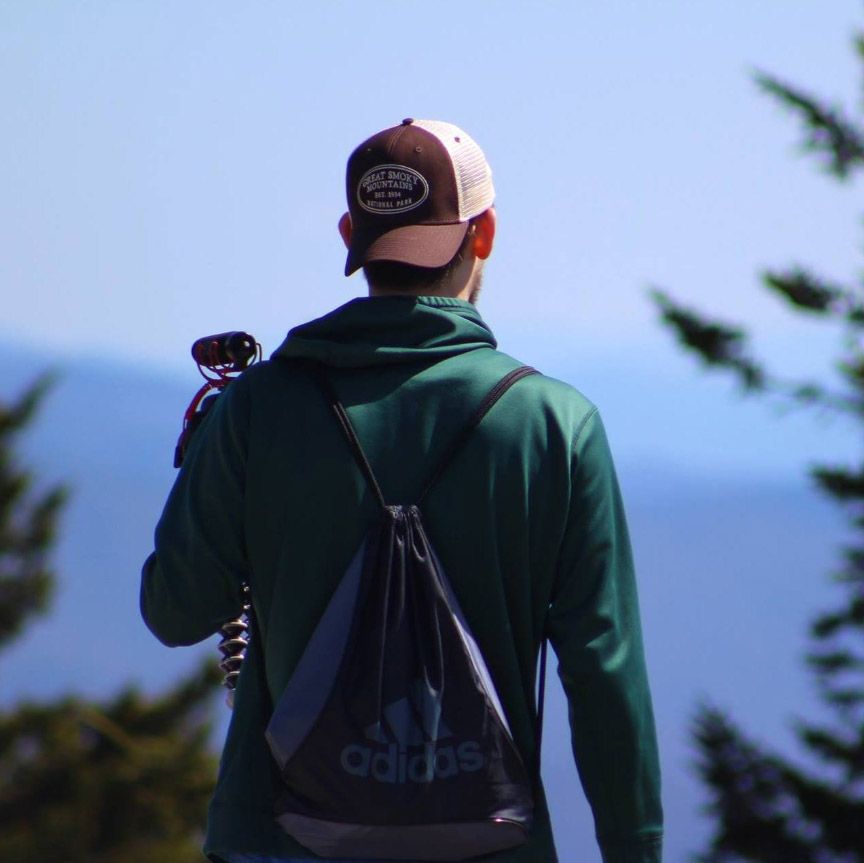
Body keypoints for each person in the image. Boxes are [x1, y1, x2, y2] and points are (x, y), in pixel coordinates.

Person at [141, 118, 663, 863]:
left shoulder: (259, 408)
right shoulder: (554, 423)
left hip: (278, 841)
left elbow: (174, 608)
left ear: (352, 232)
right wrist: (634, 848)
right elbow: (604, 675)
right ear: (483, 234)